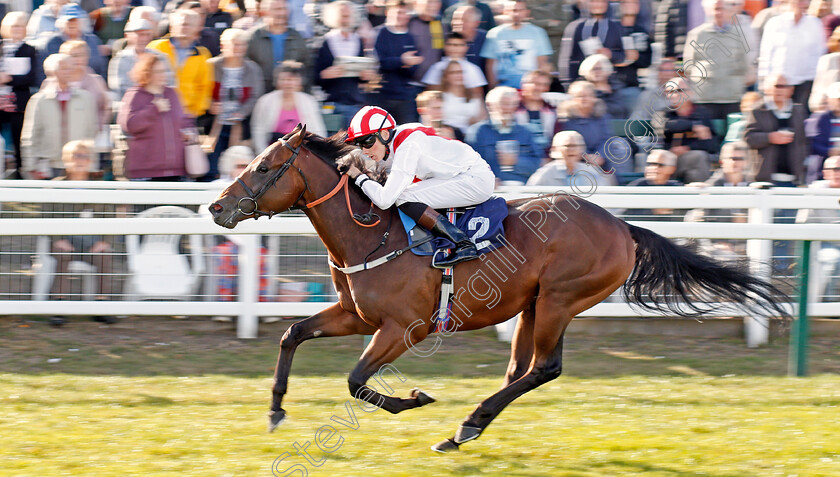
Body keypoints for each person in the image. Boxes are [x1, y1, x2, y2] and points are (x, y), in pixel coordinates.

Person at [342, 105, 496, 267]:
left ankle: (463, 244)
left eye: (367, 142)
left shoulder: (408, 147)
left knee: (403, 196)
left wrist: (359, 177)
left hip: (474, 180)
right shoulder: (395, 138)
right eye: (359, 144)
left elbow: (385, 200)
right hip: (463, 175)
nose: (364, 150)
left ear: (385, 134)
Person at [49, 140, 116, 325]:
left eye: (84, 156)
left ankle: (101, 305)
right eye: (76, 155)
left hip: (92, 240)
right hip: (64, 240)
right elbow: (45, 215)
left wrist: (105, 241)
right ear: (65, 160)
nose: (80, 160)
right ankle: (58, 306)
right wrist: (58, 239)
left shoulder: (99, 185)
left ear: (90, 160)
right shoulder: (56, 185)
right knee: (62, 254)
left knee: (105, 255)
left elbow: (110, 216)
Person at [21, 53, 98, 179]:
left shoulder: (85, 98)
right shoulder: (39, 100)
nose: (68, 72)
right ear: (52, 71)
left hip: (78, 165)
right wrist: (30, 166)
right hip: (49, 165)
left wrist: (92, 164)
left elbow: (91, 133)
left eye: (70, 68)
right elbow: (30, 136)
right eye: (64, 68)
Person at [117, 53, 192, 181]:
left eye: (164, 71)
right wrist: (153, 109)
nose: (164, 75)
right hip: (145, 172)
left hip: (175, 170)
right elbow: (129, 125)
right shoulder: (135, 95)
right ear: (146, 73)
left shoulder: (172, 93)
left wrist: (189, 131)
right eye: (158, 71)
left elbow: (183, 120)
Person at [205, 28, 263, 181]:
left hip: (239, 126)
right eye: (234, 44)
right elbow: (202, 90)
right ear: (223, 46)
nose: (238, 49)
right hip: (213, 125)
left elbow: (255, 96)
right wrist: (209, 104)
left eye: (242, 45)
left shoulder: (253, 69)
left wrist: (242, 112)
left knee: (237, 168)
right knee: (211, 167)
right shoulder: (211, 66)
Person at [682, 0, 754, 121]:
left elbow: (744, 65)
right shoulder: (697, 34)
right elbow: (688, 65)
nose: (719, 12)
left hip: (731, 97)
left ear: (728, 11)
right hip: (705, 98)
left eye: (722, 9)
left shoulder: (738, 35)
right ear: (709, 11)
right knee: (709, 135)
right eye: (716, 9)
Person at [315, 0, 376, 129]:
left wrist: (365, 76)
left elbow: (362, 75)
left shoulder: (358, 40)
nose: (345, 20)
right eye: (342, 16)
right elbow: (315, 76)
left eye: (348, 16)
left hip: (353, 102)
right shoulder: (325, 41)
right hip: (332, 101)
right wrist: (325, 74)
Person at [759, 0, 826, 111]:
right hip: (779, 84)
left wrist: (816, 82)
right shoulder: (775, 23)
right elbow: (766, 54)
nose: (801, 3)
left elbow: (818, 53)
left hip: (805, 83)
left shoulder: (815, 23)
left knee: (801, 117)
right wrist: (764, 80)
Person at [466, 86, 541, 185]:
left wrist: (516, 162)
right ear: (489, 105)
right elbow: (468, 164)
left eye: (513, 104)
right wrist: (487, 179)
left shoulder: (526, 132)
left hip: (521, 188)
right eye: (504, 104)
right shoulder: (477, 131)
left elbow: (536, 164)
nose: (509, 108)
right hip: (488, 188)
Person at [744, 72, 809, 184]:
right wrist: (769, 138)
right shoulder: (757, 110)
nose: (780, 90)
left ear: (791, 90)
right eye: (777, 86)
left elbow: (804, 142)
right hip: (765, 180)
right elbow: (748, 138)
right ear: (766, 88)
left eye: (784, 86)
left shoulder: (799, 111)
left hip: (793, 180)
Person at [147, 8, 213, 119]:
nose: (184, 27)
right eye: (181, 24)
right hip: (157, 110)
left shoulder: (202, 54)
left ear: (196, 29)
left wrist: (195, 111)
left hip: (187, 114)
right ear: (171, 27)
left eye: (188, 25)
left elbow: (205, 86)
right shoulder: (156, 47)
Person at [251, 60, 326, 153]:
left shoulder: (309, 102)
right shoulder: (265, 101)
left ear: (299, 82)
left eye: (292, 80)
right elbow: (259, 132)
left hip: (301, 152)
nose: (288, 83)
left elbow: (318, 131)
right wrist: (263, 155)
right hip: (273, 152)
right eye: (283, 79)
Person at [0, 12, 39, 179]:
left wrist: (9, 79)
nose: (17, 29)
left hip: (18, 103)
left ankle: (20, 177)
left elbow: (32, 77)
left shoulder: (29, 50)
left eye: (20, 26)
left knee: (19, 142)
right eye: (13, 26)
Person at [480, 0, 553, 89]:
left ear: (527, 12)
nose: (516, 14)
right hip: (504, 86)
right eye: (513, 10)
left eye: (520, 10)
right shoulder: (495, 34)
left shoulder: (538, 32)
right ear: (505, 12)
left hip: (529, 86)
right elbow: (490, 65)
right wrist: (493, 88)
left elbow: (542, 62)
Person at [246, 0, 310, 94]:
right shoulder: (254, 37)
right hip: (261, 93)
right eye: (277, 9)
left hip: (290, 94)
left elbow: (307, 67)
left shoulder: (296, 37)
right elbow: (247, 67)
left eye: (284, 9)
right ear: (265, 12)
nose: (281, 13)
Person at [559, 0, 626, 88]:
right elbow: (566, 60)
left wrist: (610, 54)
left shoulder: (614, 27)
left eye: (602, 1)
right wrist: (569, 85)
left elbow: (622, 56)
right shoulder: (575, 27)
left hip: (607, 86)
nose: (598, 4)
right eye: (593, 1)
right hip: (582, 86)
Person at [662, 76, 716, 183]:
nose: (673, 94)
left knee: (695, 166)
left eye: (678, 90)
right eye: (669, 91)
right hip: (667, 163)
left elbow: (712, 144)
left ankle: (699, 195)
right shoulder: (664, 113)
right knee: (697, 161)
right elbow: (664, 127)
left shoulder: (702, 113)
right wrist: (693, 126)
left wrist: (687, 148)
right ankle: (703, 195)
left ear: (690, 92)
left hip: (692, 160)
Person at [108, 18, 174, 99]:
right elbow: (118, 89)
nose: (144, 39)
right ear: (127, 36)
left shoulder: (161, 57)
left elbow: (170, 83)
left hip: (160, 103)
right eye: (140, 35)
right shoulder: (120, 60)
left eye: (148, 35)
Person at [527, 130, 616, 186]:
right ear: (555, 149)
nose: (571, 150)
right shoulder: (544, 174)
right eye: (567, 146)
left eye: (575, 146)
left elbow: (607, 203)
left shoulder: (593, 173)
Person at [40, 4, 107, 78]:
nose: (72, 24)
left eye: (75, 20)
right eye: (68, 20)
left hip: (89, 83)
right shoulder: (52, 42)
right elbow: (44, 70)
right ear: (61, 23)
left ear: (82, 22)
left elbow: (101, 67)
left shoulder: (92, 40)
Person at [421, 32, 486, 97]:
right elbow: (430, 93)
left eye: (459, 45)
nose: (455, 48)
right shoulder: (436, 67)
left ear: (466, 47)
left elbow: (477, 95)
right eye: (451, 44)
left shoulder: (473, 69)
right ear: (444, 46)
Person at [514, 69, 555, 159]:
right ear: (523, 85)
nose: (540, 88)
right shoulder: (512, 108)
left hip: (546, 159)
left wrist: (547, 158)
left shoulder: (552, 110)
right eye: (536, 83)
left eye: (545, 84)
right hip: (520, 158)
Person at [438, 59, 486, 134]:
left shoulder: (475, 96)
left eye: (460, 72)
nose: (458, 75)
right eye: (453, 73)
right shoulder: (440, 97)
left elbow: (483, 118)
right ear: (446, 76)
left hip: (471, 136)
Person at [578, 53, 628, 119]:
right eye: (593, 69)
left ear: (607, 69)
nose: (596, 72)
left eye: (599, 68)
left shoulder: (618, 88)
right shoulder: (581, 90)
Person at [450, 4, 486, 71]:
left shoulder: (486, 39)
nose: (457, 23)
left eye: (464, 20)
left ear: (476, 23)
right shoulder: (447, 38)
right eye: (455, 19)